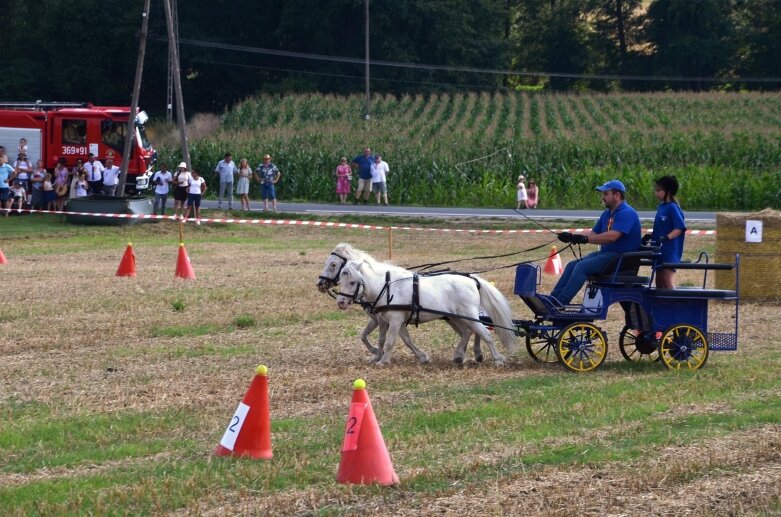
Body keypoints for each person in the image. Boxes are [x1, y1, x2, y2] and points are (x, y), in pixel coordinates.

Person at [550, 180, 642, 305]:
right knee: (572, 265)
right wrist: (572, 236)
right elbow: (593, 234)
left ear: (617, 195)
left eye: (606, 194)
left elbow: (612, 237)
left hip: (621, 259)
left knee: (581, 267)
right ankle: (552, 300)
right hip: (608, 256)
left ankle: (560, 302)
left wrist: (585, 239)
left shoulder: (627, 213)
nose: (602, 197)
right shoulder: (607, 214)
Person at [649, 175, 686, 289]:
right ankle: (661, 306)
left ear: (668, 191)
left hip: (670, 251)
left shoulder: (673, 208)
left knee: (667, 280)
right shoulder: (661, 207)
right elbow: (663, 227)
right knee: (659, 282)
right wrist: (651, 236)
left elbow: (679, 228)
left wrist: (666, 238)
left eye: (658, 190)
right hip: (659, 251)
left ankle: (676, 305)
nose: (656, 193)